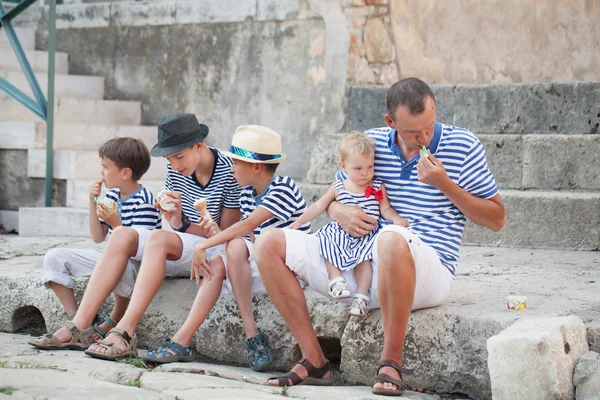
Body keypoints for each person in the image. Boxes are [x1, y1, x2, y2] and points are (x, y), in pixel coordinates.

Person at [253, 77, 505, 395]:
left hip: (426, 269)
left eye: (429, 126)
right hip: (361, 263)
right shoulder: (369, 145)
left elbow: (496, 219)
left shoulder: (463, 146)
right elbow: (336, 194)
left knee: (391, 238)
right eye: (413, 132)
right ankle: (314, 358)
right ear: (390, 122)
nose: (423, 137)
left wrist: (445, 184)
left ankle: (390, 362)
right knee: (267, 243)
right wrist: (337, 212)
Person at [29, 113, 242, 353]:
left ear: (199, 146)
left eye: (179, 157)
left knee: (157, 238)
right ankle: (79, 326)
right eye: (169, 159)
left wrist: (181, 224)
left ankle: (125, 331)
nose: (175, 165)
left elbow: (226, 234)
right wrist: (177, 219)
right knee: (122, 234)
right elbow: (181, 228)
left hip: (218, 248)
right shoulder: (177, 170)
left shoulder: (229, 170)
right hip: (189, 244)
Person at [141, 125, 310, 371]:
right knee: (218, 262)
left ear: (256, 167)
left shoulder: (283, 187)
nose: (231, 170)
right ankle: (184, 341)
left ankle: (250, 333)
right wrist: (215, 233)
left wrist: (205, 245)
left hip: (289, 270)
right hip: (261, 267)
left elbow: (249, 225)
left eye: (236, 164)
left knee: (229, 247)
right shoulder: (246, 195)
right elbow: (250, 239)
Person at [39, 138, 162, 333]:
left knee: (122, 265)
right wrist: (92, 202)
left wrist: (116, 224)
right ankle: (77, 321)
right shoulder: (113, 195)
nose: (101, 173)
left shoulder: (145, 202)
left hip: (133, 268)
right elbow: (98, 237)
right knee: (54, 258)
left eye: (105, 167)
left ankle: (110, 319)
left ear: (125, 173)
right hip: (111, 261)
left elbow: (140, 251)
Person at [290, 132, 408, 318]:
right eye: (358, 168)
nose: (365, 173)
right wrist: (299, 221)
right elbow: (319, 205)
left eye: (370, 166)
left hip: (366, 234)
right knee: (327, 246)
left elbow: (385, 209)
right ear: (343, 167)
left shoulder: (377, 186)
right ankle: (336, 281)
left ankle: (361, 298)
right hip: (341, 232)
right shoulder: (339, 186)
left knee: (364, 262)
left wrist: (396, 219)